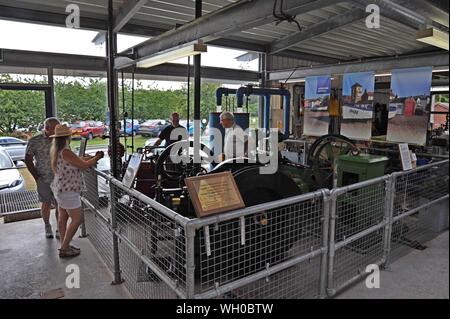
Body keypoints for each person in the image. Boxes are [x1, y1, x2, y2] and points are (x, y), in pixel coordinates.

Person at [49, 124, 104, 258]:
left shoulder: (58, 150)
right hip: (68, 190)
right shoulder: (66, 151)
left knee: (63, 217)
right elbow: (83, 165)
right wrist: (96, 158)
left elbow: (77, 161)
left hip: (61, 188)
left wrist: (89, 158)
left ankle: (64, 244)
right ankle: (64, 248)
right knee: (78, 219)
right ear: (67, 137)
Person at [25, 117, 61, 239]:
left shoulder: (60, 139)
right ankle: (47, 226)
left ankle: (59, 229)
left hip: (59, 178)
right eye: (55, 128)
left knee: (59, 204)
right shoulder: (35, 141)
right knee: (45, 203)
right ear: (47, 128)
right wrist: (36, 176)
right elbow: (28, 159)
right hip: (43, 178)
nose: (58, 131)